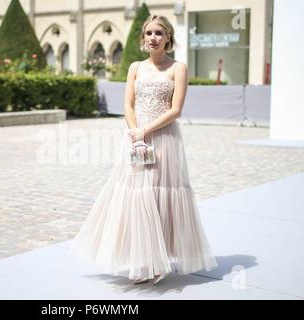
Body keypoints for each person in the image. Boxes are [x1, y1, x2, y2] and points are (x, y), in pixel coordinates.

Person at [68, 15, 218, 285]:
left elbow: (176, 110)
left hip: (164, 139)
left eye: (159, 33)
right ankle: (142, 259)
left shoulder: (178, 68)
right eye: (148, 33)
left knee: (159, 195)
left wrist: (145, 132)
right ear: (143, 38)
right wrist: (136, 134)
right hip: (136, 137)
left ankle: (158, 261)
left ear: (168, 38)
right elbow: (128, 104)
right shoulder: (135, 67)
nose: (153, 37)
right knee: (136, 196)